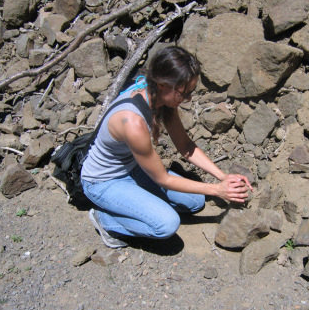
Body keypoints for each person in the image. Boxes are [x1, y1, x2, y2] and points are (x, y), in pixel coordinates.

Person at [81, 46, 253, 248]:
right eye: (184, 92)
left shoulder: (159, 97)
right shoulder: (133, 122)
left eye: (191, 91)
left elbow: (186, 146)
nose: (188, 98)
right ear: (163, 84)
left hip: (133, 168)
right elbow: (162, 178)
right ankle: (106, 220)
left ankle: (139, 204)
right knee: (166, 224)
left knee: (195, 201)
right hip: (104, 182)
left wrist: (222, 176)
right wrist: (217, 190)